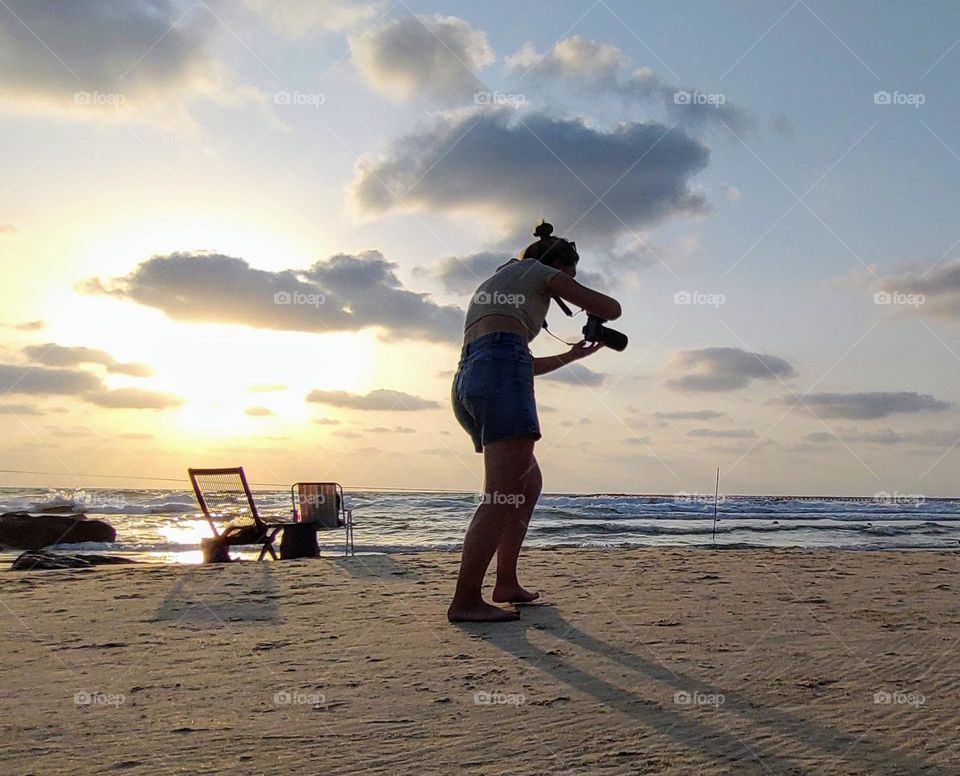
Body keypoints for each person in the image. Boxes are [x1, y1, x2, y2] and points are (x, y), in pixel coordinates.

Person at [447, 222, 622, 622]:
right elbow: (612, 308)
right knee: (501, 494)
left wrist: (573, 357)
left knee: (527, 483)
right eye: (568, 275)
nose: (566, 284)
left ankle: (505, 581)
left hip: (470, 379)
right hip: (499, 375)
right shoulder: (538, 273)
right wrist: (578, 297)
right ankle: (466, 601)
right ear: (558, 266)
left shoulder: (499, 282)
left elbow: (519, 363)